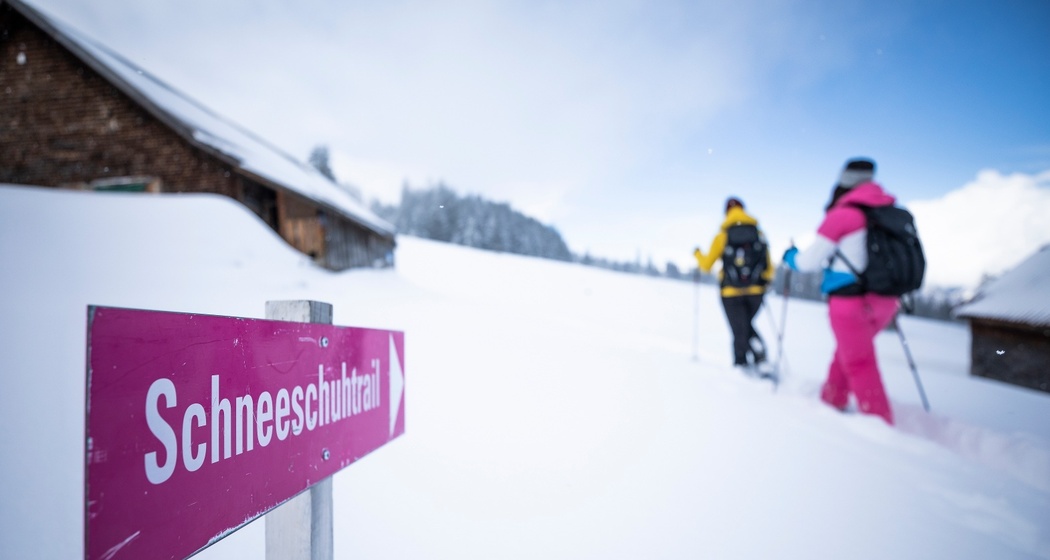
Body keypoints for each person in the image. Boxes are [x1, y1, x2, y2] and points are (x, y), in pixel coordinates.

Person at [782, 157, 898, 425]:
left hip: (851, 302)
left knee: (859, 361)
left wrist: (790, 257)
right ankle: (832, 400)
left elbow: (808, 262)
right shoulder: (886, 212)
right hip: (885, 301)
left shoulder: (844, 214)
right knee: (848, 352)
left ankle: (880, 423)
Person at [694, 197, 773, 375]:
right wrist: (764, 281)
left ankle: (743, 366)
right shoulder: (758, 233)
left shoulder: (723, 235)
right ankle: (757, 357)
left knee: (739, 329)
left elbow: (707, 265)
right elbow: (768, 266)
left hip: (730, 292)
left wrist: (698, 254)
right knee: (745, 325)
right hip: (756, 292)